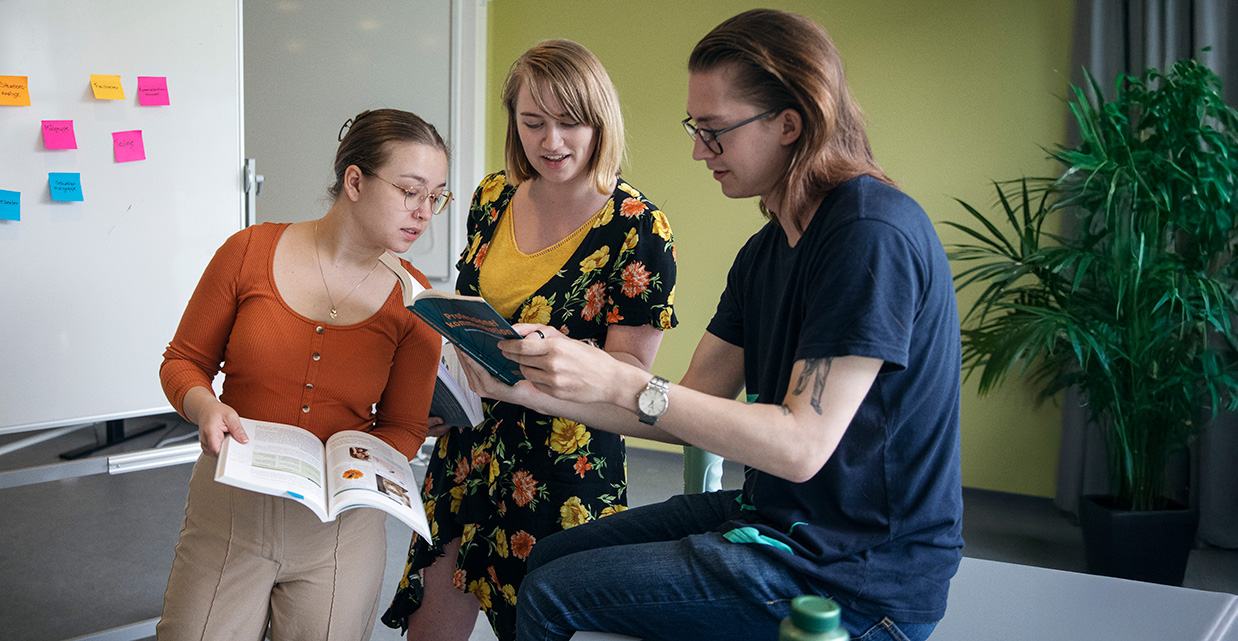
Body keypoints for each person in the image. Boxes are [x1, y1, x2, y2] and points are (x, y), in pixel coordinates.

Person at [458, 9, 963, 641]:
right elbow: (683, 407)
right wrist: (523, 388)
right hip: (776, 519)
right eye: (696, 128)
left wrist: (615, 381)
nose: (698, 150)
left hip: (852, 575)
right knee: (550, 561)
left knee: (554, 593)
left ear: (789, 124)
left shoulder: (868, 234)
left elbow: (800, 447)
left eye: (716, 131)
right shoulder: (765, 253)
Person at [381, 39, 678, 641]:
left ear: (601, 123)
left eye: (570, 123)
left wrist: (548, 359)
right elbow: (467, 319)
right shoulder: (493, 197)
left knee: (537, 624)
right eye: (533, 122)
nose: (552, 142)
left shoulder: (638, 227)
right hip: (469, 445)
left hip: (563, 464)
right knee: (429, 621)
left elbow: (628, 383)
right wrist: (441, 393)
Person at [156, 109, 450, 641]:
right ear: (355, 181)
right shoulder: (247, 252)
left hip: (340, 529)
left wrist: (354, 470)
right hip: (231, 507)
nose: (425, 212)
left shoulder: (414, 300)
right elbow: (183, 361)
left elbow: (405, 428)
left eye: (437, 196)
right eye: (410, 191)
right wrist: (206, 407)